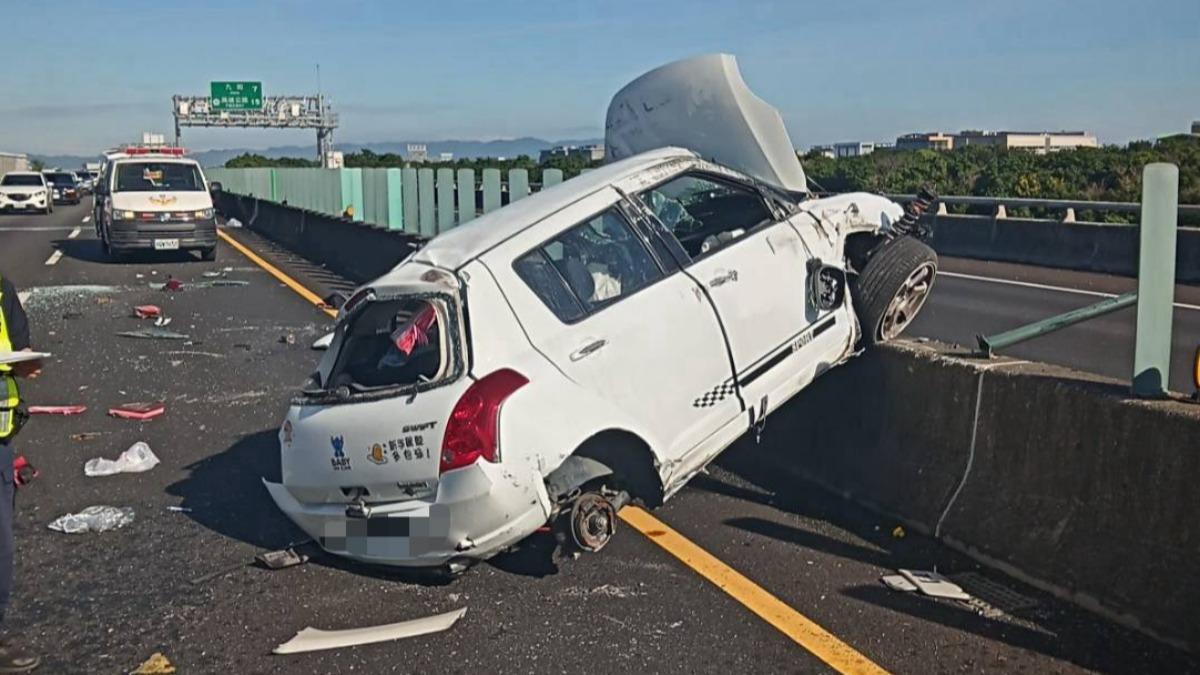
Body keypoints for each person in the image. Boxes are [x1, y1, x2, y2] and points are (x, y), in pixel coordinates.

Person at [0, 272, 41, 673]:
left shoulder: (1, 288)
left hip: (0, 439)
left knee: (2, 545)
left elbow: (19, 346)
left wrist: (25, 365)